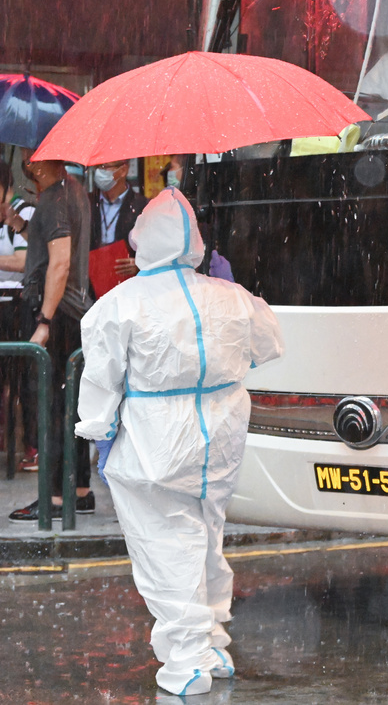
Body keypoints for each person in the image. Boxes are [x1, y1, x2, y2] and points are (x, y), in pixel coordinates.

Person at [74, 188, 284, 696]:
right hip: (219, 441)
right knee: (204, 538)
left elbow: (100, 384)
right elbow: (268, 345)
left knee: (166, 547)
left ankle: (188, 659)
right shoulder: (232, 296)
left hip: (154, 444)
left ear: (142, 241)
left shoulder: (119, 304)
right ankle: (211, 642)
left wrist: (99, 431)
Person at [8, 151, 92, 522]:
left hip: (58, 314)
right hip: (70, 312)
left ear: (41, 162)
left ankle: (56, 498)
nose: (27, 164)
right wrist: (21, 226)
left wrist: (44, 320)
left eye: (31, 158)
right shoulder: (71, 192)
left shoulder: (56, 198)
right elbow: (49, 251)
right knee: (70, 405)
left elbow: (60, 262)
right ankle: (80, 492)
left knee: (55, 408)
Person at [0, 164, 34, 469]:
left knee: (19, 380)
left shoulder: (23, 213)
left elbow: (24, 261)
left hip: (15, 305)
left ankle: (28, 444)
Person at [89, 159, 146, 281]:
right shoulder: (87, 202)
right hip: (93, 279)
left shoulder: (142, 206)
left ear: (123, 170)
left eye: (105, 167)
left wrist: (140, 264)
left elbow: (152, 249)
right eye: (98, 167)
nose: (100, 171)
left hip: (127, 281)